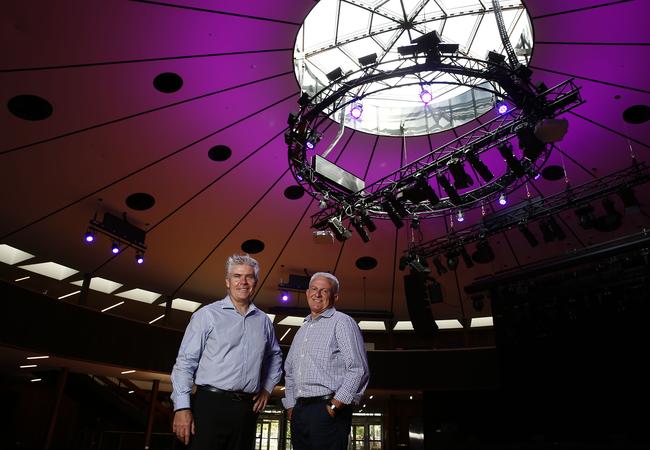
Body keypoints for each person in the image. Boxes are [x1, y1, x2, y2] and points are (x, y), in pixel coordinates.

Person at [171, 254, 283, 449]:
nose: (243, 282)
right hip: (210, 405)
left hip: (246, 409)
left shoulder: (263, 320)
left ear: (255, 283)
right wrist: (182, 407)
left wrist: (267, 388)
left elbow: (275, 356)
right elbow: (185, 364)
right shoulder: (207, 315)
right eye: (237, 276)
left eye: (249, 277)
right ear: (227, 282)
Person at [282, 272, 370, 450]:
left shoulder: (343, 322)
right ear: (307, 293)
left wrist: (333, 407)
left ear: (335, 296)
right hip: (299, 412)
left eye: (324, 290)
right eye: (314, 289)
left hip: (327, 410)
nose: (317, 294)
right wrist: (291, 407)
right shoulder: (303, 329)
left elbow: (358, 369)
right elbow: (290, 371)